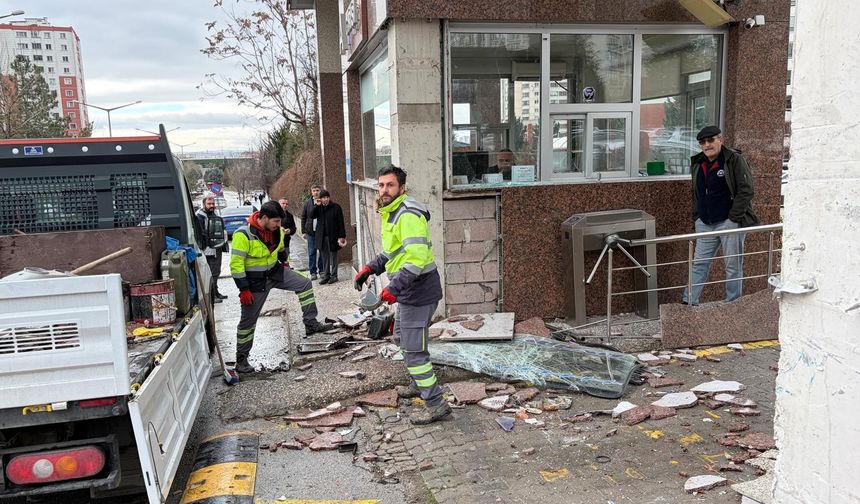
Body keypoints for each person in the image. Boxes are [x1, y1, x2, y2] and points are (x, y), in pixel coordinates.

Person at [354, 165, 451, 425]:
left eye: (390, 185)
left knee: (413, 349)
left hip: (419, 290)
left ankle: (436, 404)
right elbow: (393, 252)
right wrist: (369, 268)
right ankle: (418, 383)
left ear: (402, 188)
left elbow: (416, 259)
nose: (384, 190)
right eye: (381, 185)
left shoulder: (407, 214)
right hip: (410, 290)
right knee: (402, 338)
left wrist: (391, 290)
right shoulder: (393, 212)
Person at [230, 201, 332, 373]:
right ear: (263, 218)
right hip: (255, 284)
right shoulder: (243, 235)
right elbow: (236, 265)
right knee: (248, 322)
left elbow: (280, 249)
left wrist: (284, 263)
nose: (279, 225)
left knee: (305, 284)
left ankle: (310, 322)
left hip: (275, 272)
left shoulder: (275, 230)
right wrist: (244, 289)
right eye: (276, 221)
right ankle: (241, 360)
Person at [682, 125, 758, 306]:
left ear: (720, 140)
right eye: (703, 142)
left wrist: (733, 217)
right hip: (705, 222)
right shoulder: (698, 162)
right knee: (699, 264)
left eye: (711, 140)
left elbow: (746, 190)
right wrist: (697, 217)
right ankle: (688, 302)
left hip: (728, 222)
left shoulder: (734, 159)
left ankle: (733, 304)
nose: (707, 145)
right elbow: (697, 192)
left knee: (732, 265)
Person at [195, 193, 228, 303]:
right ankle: (212, 296)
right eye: (209, 203)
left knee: (216, 272)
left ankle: (216, 292)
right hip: (208, 249)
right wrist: (204, 248)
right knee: (212, 273)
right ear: (203, 204)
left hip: (216, 247)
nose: (211, 205)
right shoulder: (199, 217)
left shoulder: (212, 215)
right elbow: (200, 234)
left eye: (213, 203)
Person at [310, 189, 347, 284]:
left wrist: (342, 236)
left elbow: (340, 223)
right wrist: (316, 206)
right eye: (323, 198)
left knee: (333, 256)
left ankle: (334, 275)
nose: (325, 199)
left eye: (327, 197)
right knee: (324, 256)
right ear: (320, 199)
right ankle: (326, 275)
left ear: (329, 198)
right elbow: (311, 215)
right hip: (322, 236)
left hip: (333, 236)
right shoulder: (319, 208)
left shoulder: (336, 207)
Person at [300, 185, 322, 280]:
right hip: (310, 232)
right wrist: (304, 231)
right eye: (314, 191)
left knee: (322, 252)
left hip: (321, 232)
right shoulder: (307, 203)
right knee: (312, 252)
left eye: (317, 190)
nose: (316, 192)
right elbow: (303, 217)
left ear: (320, 191)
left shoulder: (323, 202)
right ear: (311, 192)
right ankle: (313, 272)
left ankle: (322, 270)